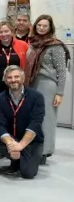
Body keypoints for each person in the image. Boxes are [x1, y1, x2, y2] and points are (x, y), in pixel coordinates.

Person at [25, 14, 70, 163]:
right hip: (31, 83)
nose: (42, 28)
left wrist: (60, 93)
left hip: (47, 84)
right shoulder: (33, 43)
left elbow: (62, 71)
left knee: (47, 118)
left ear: (50, 27)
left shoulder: (55, 45)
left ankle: (45, 151)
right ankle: (34, 146)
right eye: (39, 25)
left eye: (45, 25)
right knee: (33, 117)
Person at [0, 66, 45, 178]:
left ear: (22, 78)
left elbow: (36, 123)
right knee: (4, 145)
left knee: (28, 173)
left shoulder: (37, 97)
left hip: (32, 141)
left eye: (16, 76)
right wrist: (10, 143)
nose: (13, 80)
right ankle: (15, 161)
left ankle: (23, 159)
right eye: (9, 77)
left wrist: (20, 145)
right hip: (11, 139)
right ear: (5, 80)